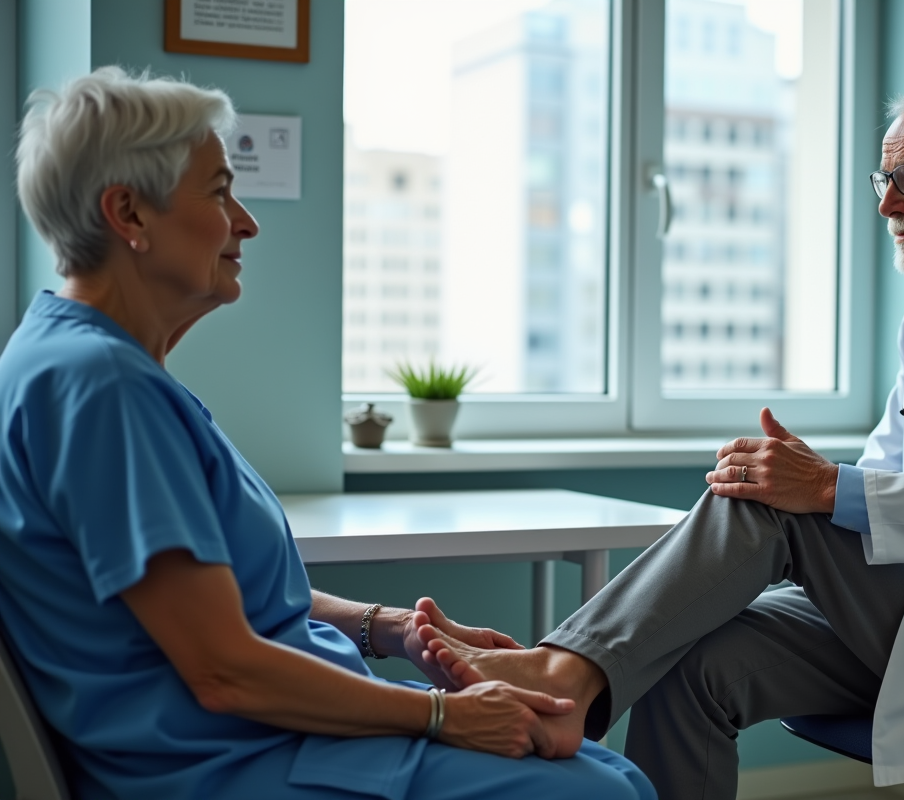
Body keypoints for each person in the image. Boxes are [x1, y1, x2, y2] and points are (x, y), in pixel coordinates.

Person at [418, 82, 904, 798]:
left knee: (776, 502)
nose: (887, 203)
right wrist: (811, 484)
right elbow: (889, 478)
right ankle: (569, 673)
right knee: (696, 662)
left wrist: (817, 488)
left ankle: (560, 674)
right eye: (881, 178)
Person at [0, 67, 654, 800]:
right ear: (129, 214)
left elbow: (225, 597)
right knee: (601, 790)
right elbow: (225, 670)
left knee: (609, 771)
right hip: (225, 763)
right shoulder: (99, 388)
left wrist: (390, 627)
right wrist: (443, 715)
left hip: (261, 737)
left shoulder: (87, 365)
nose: (245, 221)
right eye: (219, 192)